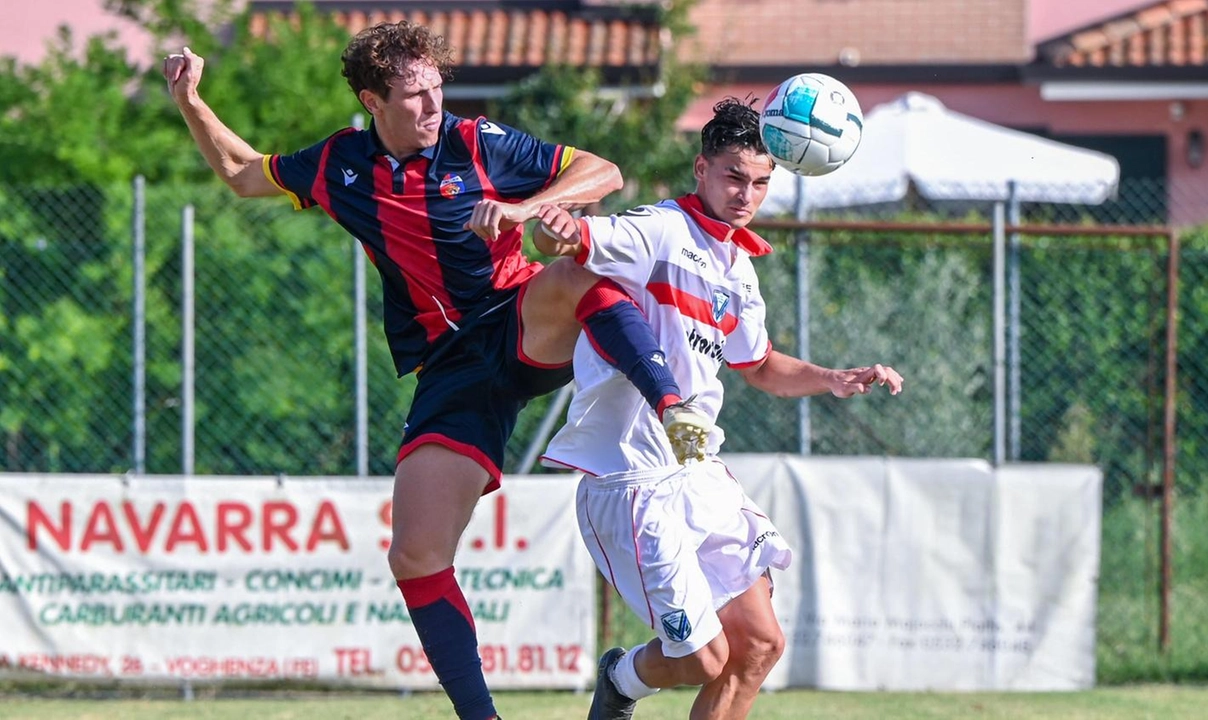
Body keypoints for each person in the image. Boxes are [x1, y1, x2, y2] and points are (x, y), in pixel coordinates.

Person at [163, 21, 712, 720]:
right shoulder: (340, 165)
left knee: (577, 274)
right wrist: (190, 101)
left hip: (519, 321)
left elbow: (603, 171)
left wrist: (525, 208)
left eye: (436, 89)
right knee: (415, 556)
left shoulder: (478, 143)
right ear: (371, 100)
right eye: (412, 95)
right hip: (450, 369)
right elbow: (244, 175)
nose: (431, 107)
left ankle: (673, 405)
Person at [533, 98, 904, 720]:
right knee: (704, 659)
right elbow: (562, 240)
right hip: (632, 478)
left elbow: (757, 365)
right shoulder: (658, 230)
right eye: (734, 176)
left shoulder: (738, 268)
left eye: (761, 181)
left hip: (698, 470)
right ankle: (622, 680)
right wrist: (554, 227)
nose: (746, 194)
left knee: (760, 645)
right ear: (701, 169)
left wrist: (834, 378)